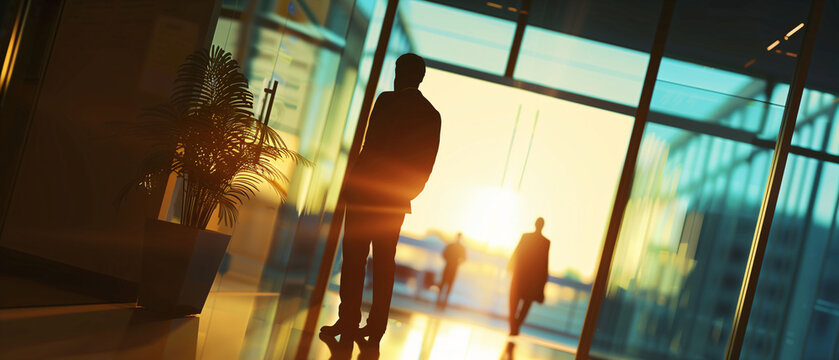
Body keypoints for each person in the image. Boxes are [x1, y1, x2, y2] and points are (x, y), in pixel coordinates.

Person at [320, 53, 442, 344]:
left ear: (402, 74)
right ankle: (375, 329)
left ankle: (348, 320)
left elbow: (369, 146)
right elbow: (426, 165)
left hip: (365, 194)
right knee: (384, 262)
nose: (397, 76)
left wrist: (356, 186)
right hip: (393, 201)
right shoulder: (431, 114)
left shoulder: (386, 101)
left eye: (399, 71)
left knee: (354, 258)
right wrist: (404, 194)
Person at [507, 217, 550, 336]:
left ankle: (513, 327)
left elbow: (518, 252)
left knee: (513, 303)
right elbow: (544, 264)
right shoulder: (545, 242)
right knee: (525, 306)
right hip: (532, 281)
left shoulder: (526, 237)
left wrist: (510, 267)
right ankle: (515, 327)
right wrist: (542, 283)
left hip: (520, 276)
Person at [436, 232, 466, 309]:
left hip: (452, 268)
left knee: (447, 286)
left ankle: (442, 303)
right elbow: (444, 254)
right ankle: (439, 302)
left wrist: (455, 262)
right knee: (443, 285)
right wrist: (452, 261)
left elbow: (464, 259)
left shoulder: (457, 247)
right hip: (450, 268)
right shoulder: (454, 246)